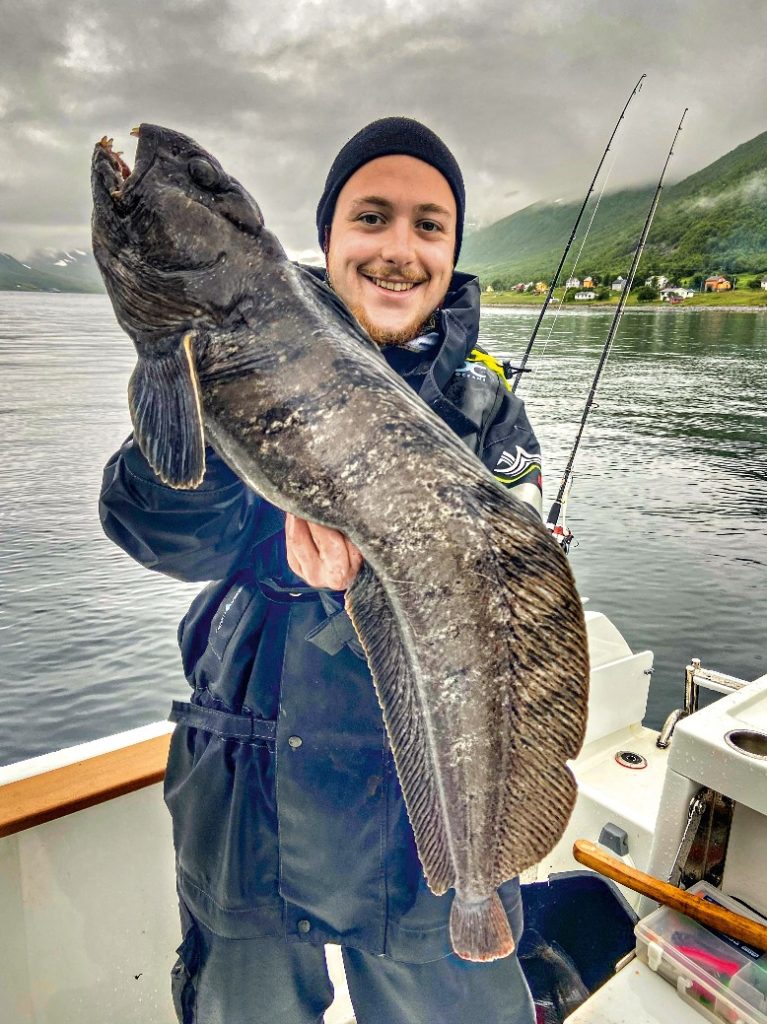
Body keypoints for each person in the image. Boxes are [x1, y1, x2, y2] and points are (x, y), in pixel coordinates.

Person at [100, 117, 543, 1024]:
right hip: (249, 790)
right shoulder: (231, 358)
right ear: (325, 237)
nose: (397, 248)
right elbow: (159, 533)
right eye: (370, 218)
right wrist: (220, 443)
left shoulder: (486, 402)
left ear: (453, 251)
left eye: (429, 225)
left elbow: (519, 548)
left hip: (422, 810)